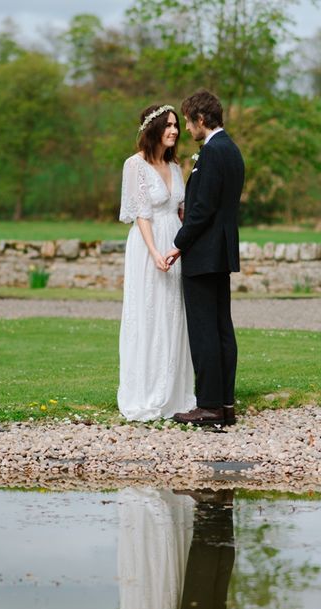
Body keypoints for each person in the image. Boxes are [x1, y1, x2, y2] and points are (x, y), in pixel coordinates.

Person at [164, 90, 245, 427]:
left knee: (204, 331)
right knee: (221, 327)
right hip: (221, 253)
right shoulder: (232, 150)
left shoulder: (212, 153)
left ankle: (209, 405)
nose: (186, 127)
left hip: (203, 254)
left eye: (187, 120)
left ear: (200, 119)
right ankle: (225, 403)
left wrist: (178, 243)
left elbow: (202, 210)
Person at [117, 104, 196, 421]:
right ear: (153, 129)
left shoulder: (175, 166)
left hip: (174, 243)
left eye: (177, 125)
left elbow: (179, 209)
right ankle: (146, 392)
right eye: (168, 125)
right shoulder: (134, 165)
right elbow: (141, 214)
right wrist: (154, 253)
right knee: (148, 313)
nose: (174, 131)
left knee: (173, 314)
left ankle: (174, 393)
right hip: (147, 246)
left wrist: (180, 244)